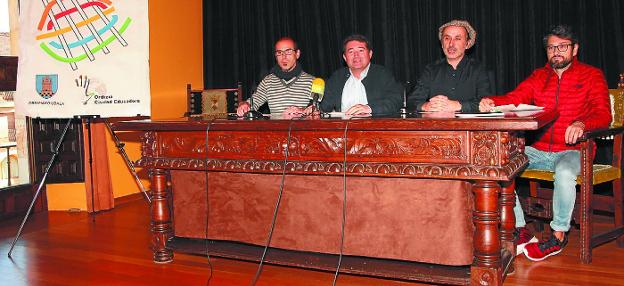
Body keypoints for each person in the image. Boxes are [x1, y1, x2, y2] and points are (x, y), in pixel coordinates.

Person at [479, 25, 612, 261]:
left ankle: (558, 235)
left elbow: (603, 115)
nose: (556, 52)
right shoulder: (538, 76)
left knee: (563, 172)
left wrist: (582, 124)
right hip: (539, 150)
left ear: (575, 49)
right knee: (500, 164)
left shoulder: (592, 75)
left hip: (575, 151)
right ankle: (519, 229)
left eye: (562, 46)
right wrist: (492, 102)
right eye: (551, 47)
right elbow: (514, 98)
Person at [407, 19, 491, 113]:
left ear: (467, 44)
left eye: (457, 38)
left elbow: (487, 102)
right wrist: (426, 106)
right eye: (447, 38)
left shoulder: (478, 69)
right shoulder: (431, 69)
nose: (451, 44)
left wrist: (458, 105)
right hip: (438, 126)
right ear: (442, 43)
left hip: (469, 127)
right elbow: (411, 102)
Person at [320, 34, 402, 116]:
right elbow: (325, 104)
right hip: (343, 127)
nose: (356, 55)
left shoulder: (383, 74)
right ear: (345, 57)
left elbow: (396, 101)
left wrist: (370, 108)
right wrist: (316, 109)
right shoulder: (337, 77)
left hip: (375, 126)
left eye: (361, 50)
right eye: (351, 51)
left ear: (370, 54)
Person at [236, 37, 315, 117]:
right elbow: (253, 102)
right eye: (279, 53)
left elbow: (319, 110)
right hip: (276, 128)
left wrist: (303, 112)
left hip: (303, 128)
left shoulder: (312, 81)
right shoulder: (268, 81)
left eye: (288, 52)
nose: (284, 57)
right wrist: (244, 105)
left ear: (297, 54)